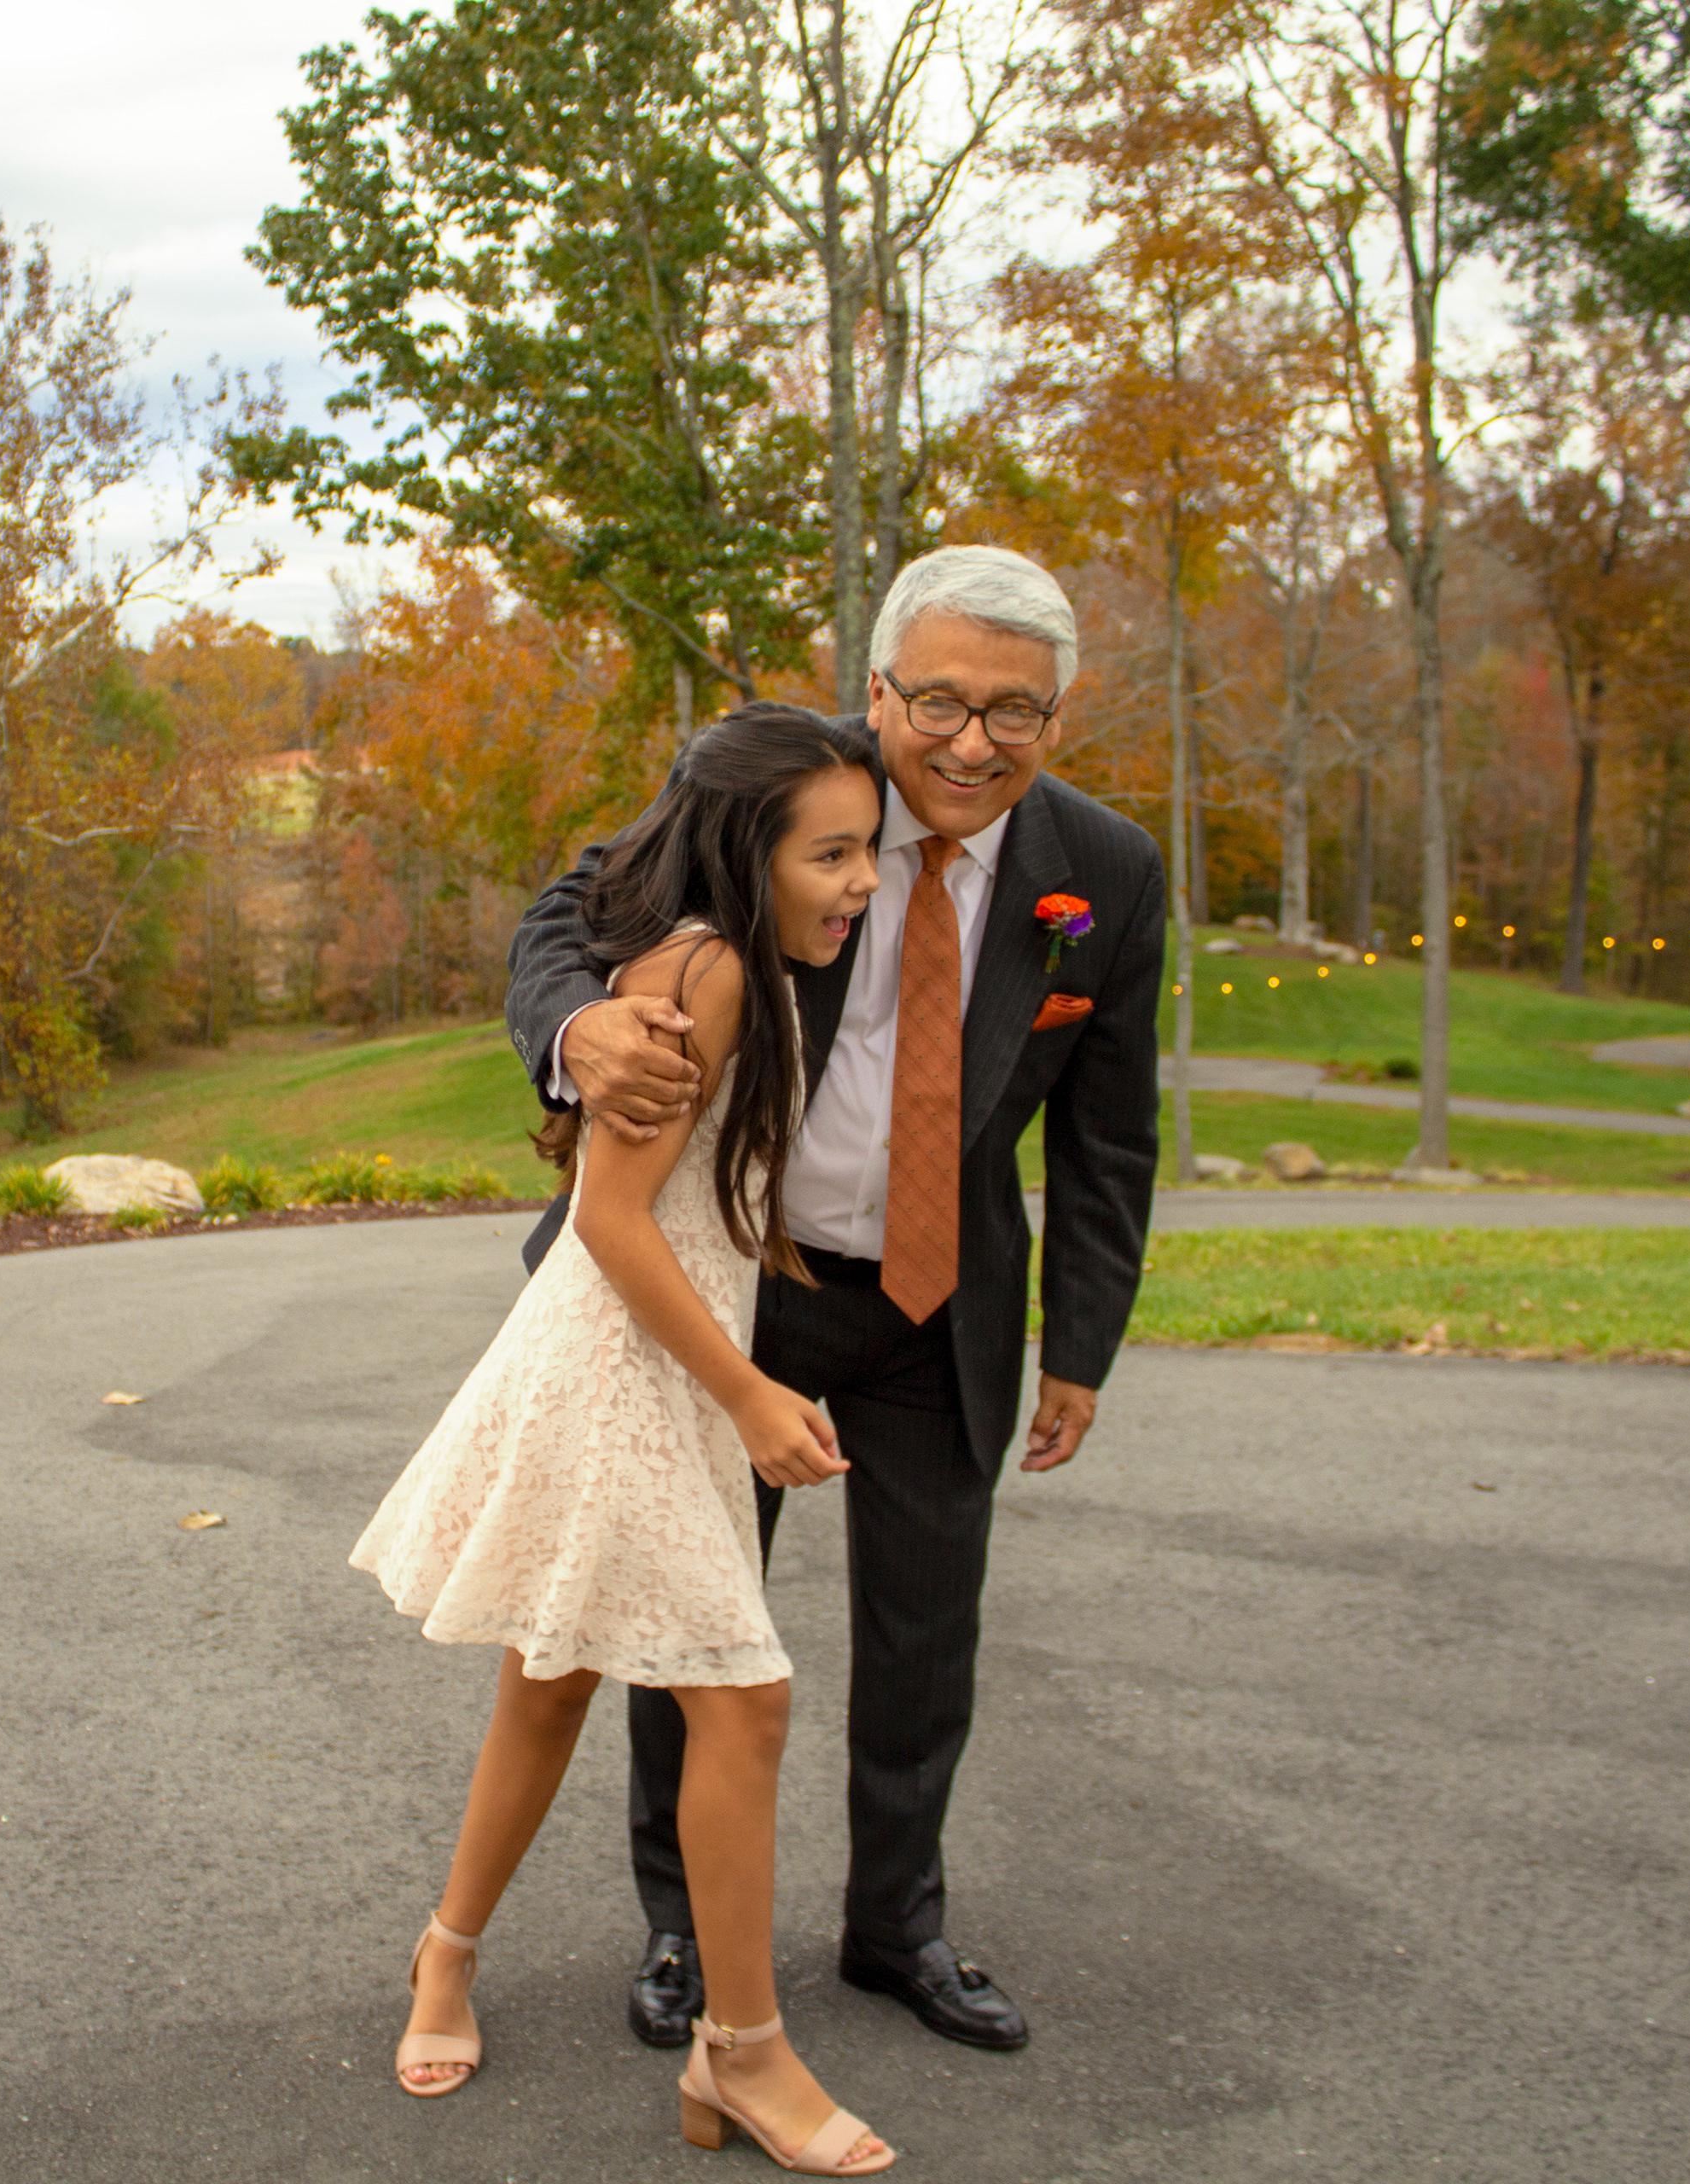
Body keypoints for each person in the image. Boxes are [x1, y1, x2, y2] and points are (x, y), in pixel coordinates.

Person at [506, 545, 1165, 2056]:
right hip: (747, 1283)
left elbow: (1112, 1131)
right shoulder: (788, 790)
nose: (973, 742)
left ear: (1058, 718)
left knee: (930, 1637)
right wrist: (578, 1027)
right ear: (879, 690)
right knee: (690, 1621)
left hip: (943, 1303)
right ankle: (685, 1929)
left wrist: (1083, 1344)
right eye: (940, 701)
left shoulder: (1107, 870)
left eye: (1016, 711)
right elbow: (568, 910)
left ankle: (897, 1929)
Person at [352, 703, 899, 2175]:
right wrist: (749, 1393)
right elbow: (607, 1219)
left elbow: (706, 1201)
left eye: (869, 850)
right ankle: (746, 2052)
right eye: (832, 854)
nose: (862, 880)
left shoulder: (747, 966)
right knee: (747, 1699)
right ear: (747, 850)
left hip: (669, 1360)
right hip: (620, 1371)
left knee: (551, 1684)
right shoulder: (704, 974)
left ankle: (446, 1953)